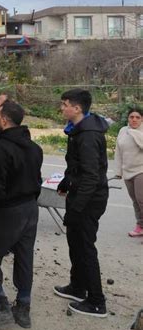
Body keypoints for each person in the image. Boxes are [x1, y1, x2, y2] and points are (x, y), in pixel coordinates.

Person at [0, 100, 43, 329]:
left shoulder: (2, 149)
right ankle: (23, 307)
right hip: (30, 210)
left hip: (8, 211)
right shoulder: (35, 148)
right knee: (24, 256)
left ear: (4, 120)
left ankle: (0, 304)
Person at [54, 88, 109, 318]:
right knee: (75, 243)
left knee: (85, 248)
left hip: (89, 200)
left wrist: (76, 208)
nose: (62, 108)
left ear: (77, 108)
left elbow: (90, 176)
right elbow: (77, 168)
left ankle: (96, 301)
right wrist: (66, 182)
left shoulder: (88, 135)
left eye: (65, 104)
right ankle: (78, 287)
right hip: (79, 196)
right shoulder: (78, 129)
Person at [114, 107, 143, 237]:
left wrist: (134, 133)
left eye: (137, 117)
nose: (134, 120)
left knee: (141, 199)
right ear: (128, 119)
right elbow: (118, 152)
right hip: (127, 171)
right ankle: (140, 225)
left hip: (141, 170)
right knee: (135, 201)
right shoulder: (123, 131)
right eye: (132, 117)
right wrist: (118, 171)